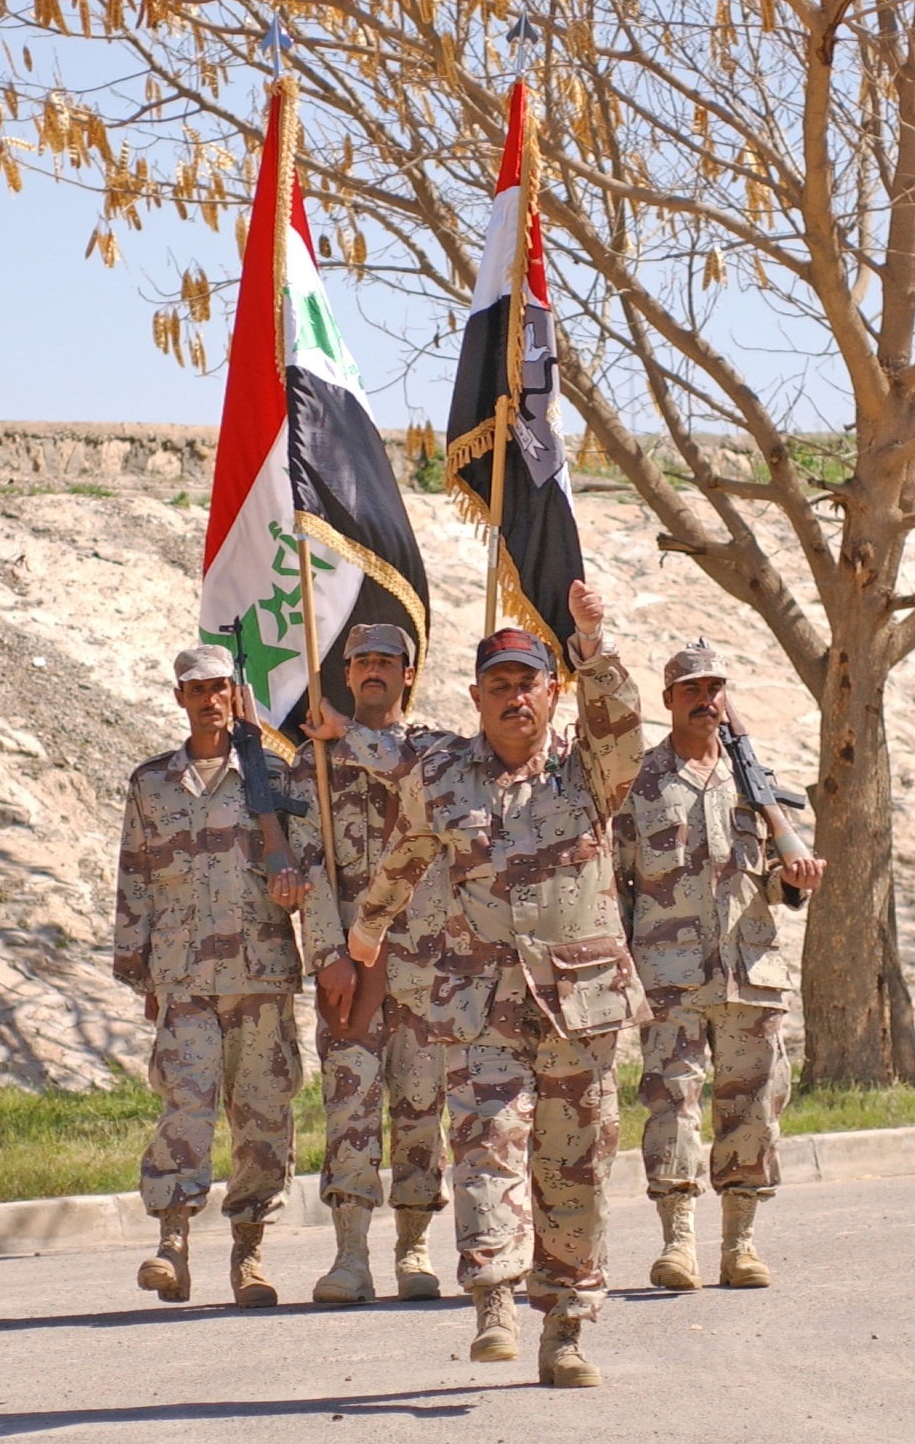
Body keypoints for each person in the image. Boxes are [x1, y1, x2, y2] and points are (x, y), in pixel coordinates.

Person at [344, 584, 648, 1389]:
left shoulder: (590, 769)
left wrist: (592, 642)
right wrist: (369, 923)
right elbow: (407, 851)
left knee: (574, 1163)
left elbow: (621, 722)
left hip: (579, 1005)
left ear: (553, 692)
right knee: (484, 1150)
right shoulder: (444, 774)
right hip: (480, 1001)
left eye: (530, 682)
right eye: (501, 685)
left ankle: (570, 1327)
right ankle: (495, 1297)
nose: (517, 697)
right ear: (476, 697)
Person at [613, 641, 825, 1293]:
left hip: (751, 971)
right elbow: (618, 883)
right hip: (670, 974)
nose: (706, 700)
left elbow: (783, 888)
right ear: (669, 699)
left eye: (715, 689)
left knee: (755, 1106)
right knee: (671, 1103)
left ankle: (740, 1242)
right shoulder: (640, 783)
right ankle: (679, 1240)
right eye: (692, 690)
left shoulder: (755, 786)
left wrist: (797, 876)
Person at [113, 644, 307, 1307]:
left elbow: (305, 871)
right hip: (185, 976)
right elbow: (135, 880)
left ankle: (250, 1250)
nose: (209, 699)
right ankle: (172, 1240)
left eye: (221, 687)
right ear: (180, 698)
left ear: (235, 695)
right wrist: (142, 976)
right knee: (184, 1106)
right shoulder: (152, 784)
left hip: (260, 977)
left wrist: (294, 890)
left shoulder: (271, 777)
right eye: (197, 689)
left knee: (262, 1115)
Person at [286, 624, 449, 1305]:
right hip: (353, 970)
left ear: (408, 674)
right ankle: (350, 1253)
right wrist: (328, 954)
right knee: (349, 1106)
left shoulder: (439, 752)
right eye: (361, 662)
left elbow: (425, 798)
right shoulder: (311, 765)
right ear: (346, 674)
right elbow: (307, 865)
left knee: (421, 1109)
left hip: (426, 962)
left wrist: (347, 735)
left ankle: (414, 1246)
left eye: (387, 661)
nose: (374, 670)